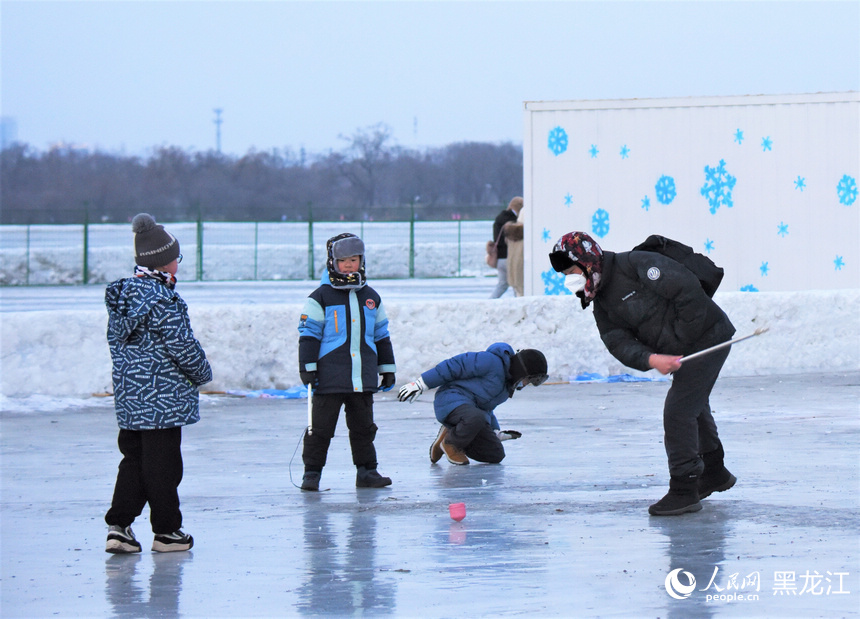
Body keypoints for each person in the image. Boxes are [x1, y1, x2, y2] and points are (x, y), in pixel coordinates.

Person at [549, 231, 737, 516]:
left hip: (709, 336)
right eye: (565, 275)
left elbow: (687, 291)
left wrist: (680, 343)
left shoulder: (636, 265)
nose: (570, 280)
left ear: (587, 261)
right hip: (686, 349)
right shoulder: (602, 304)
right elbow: (617, 343)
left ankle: (684, 489)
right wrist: (651, 359)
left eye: (572, 271)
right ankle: (713, 470)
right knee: (693, 405)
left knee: (678, 411)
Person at [104, 213, 212, 554]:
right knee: (163, 466)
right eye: (176, 258)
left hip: (132, 398)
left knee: (133, 460)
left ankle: (119, 526)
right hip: (163, 399)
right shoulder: (164, 300)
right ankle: (167, 530)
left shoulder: (123, 298)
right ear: (167, 263)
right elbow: (181, 345)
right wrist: (202, 373)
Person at [297, 233, 396, 491]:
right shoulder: (320, 297)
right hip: (329, 378)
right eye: (343, 260)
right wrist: (308, 368)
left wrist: (386, 368)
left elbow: (381, 335)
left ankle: (367, 471)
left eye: (354, 259)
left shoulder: (371, 297)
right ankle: (312, 473)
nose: (349, 265)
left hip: (361, 378)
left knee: (364, 428)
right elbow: (308, 336)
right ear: (332, 262)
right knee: (320, 429)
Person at [397, 344, 547, 465]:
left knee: (495, 454)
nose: (526, 384)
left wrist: (496, 433)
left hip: (472, 415)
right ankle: (450, 444)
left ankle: (448, 436)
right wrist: (421, 383)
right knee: (475, 417)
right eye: (528, 380)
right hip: (451, 400)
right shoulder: (490, 361)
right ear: (522, 370)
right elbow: (453, 366)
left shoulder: (505, 389)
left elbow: (487, 410)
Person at [489, 197, 524, 298]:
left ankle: (489, 302)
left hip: (500, 258)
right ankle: (518, 303)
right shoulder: (513, 221)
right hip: (509, 257)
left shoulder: (499, 217)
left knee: (502, 284)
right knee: (516, 284)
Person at [503, 198, 525, 297]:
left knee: (518, 292)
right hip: (522, 273)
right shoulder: (525, 239)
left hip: (514, 272)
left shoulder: (511, 237)